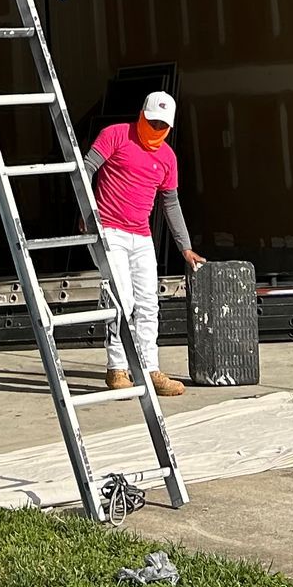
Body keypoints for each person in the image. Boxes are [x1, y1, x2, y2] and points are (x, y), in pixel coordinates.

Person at [84, 89, 203, 399]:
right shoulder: (115, 135)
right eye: (151, 122)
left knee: (149, 303)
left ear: (170, 127)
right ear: (141, 115)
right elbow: (85, 170)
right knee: (121, 298)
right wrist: (87, 213)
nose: (155, 130)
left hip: (141, 236)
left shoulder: (166, 158)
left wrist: (184, 247)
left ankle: (150, 368)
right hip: (109, 230)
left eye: (162, 126)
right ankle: (117, 368)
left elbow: (171, 203)